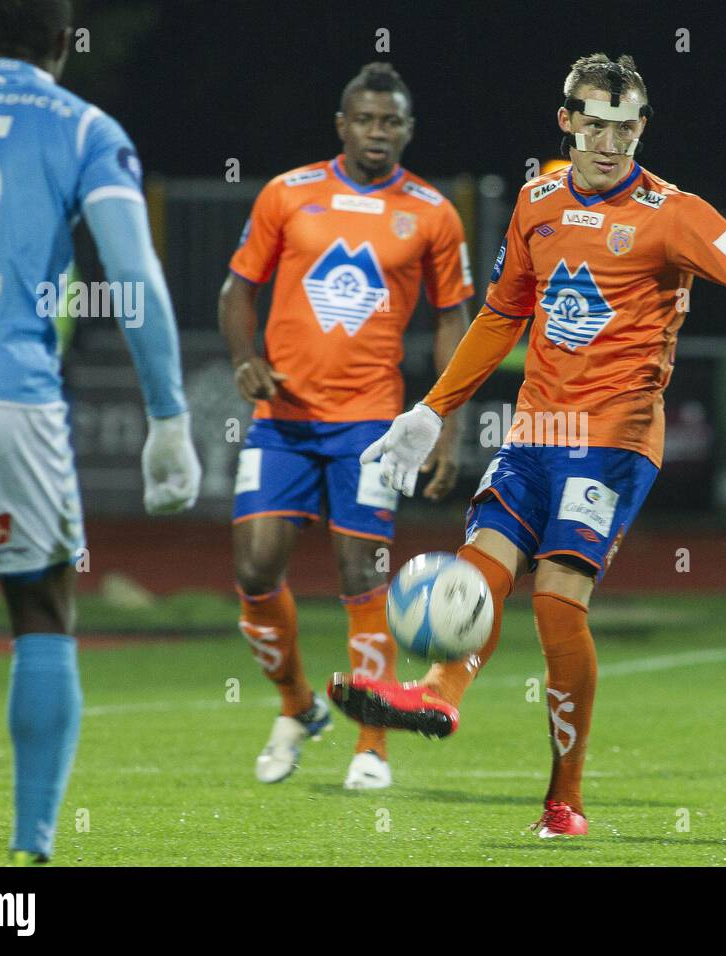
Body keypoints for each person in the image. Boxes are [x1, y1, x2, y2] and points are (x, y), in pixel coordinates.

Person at [328, 53, 726, 835]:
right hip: (535, 431)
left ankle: (564, 801)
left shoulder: (673, 212)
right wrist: (431, 409)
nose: (609, 142)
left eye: (625, 127)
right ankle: (440, 697)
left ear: (641, 128)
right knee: (482, 566)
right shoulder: (537, 201)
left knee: (557, 602)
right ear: (566, 120)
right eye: (594, 123)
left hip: (616, 437)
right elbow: (500, 316)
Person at [0, 0, 201, 863]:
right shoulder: (85, 128)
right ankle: (31, 849)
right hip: (9, 398)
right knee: (41, 609)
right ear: (63, 45)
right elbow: (131, 274)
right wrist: (168, 417)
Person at [220, 62, 473, 790]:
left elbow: (451, 318)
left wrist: (443, 425)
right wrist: (245, 360)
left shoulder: (431, 212)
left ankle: (372, 746)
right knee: (254, 570)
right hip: (282, 421)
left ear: (408, 131)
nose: (377, 133)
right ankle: (298, 706)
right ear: (342, 125)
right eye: (365, 120)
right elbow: (238, 290)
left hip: (371, 426)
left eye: (391, 122)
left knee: (363, 576)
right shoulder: (287, 193)